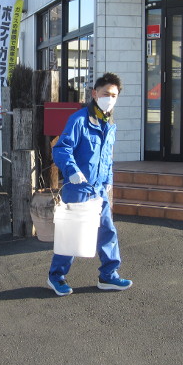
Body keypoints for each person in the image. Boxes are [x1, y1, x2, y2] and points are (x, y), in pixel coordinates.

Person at [48, 72, 132, 296]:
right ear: (94, 94)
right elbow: (61, 148)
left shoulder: (109, 122)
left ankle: (108, 275)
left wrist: (109, 181)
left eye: (114, 95)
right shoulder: (79, 120)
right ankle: (56, 276)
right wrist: (72, 170)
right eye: (106, 94)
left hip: (99, 190)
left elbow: (107, 157)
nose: (110, 99)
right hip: (78, 188)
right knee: (72, 235)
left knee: (107, 231)